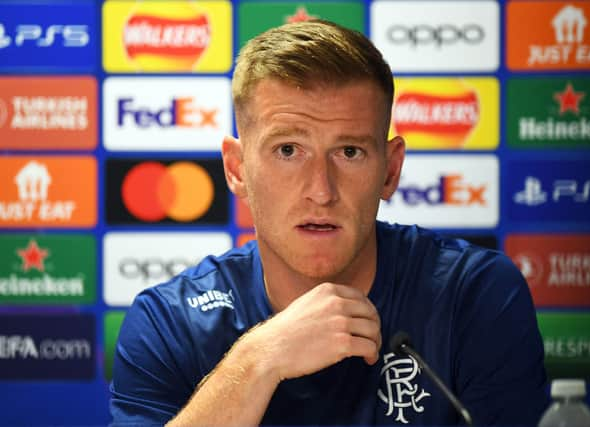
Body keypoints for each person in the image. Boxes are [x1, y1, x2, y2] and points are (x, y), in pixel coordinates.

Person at [110, 20, 548, 426]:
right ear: (237, 169)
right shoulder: (169, 323)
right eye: (287, 151)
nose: (321, 190)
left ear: (391, 171)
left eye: (349, 152)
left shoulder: (473, 295)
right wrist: (257, 361)